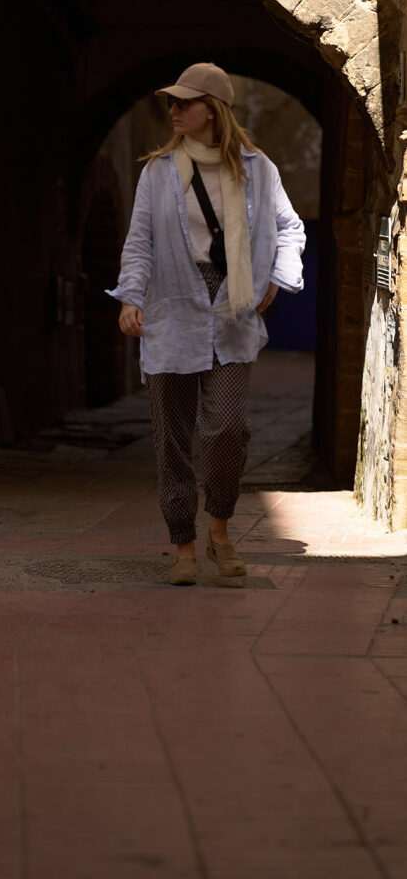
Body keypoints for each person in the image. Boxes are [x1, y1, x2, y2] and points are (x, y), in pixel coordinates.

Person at [106, 63, 305, 585]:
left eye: (184, 102)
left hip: (234, 312)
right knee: (172, 435)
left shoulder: (258, 170)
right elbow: (140, 241)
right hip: (172, 311)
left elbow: (289, 227)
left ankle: (219, 526)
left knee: (225, 430)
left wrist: (277, 280)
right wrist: (130, 297)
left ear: (212, 109)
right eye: (171, 102)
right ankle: (183, 545)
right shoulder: (158, 172)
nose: (173, 110)